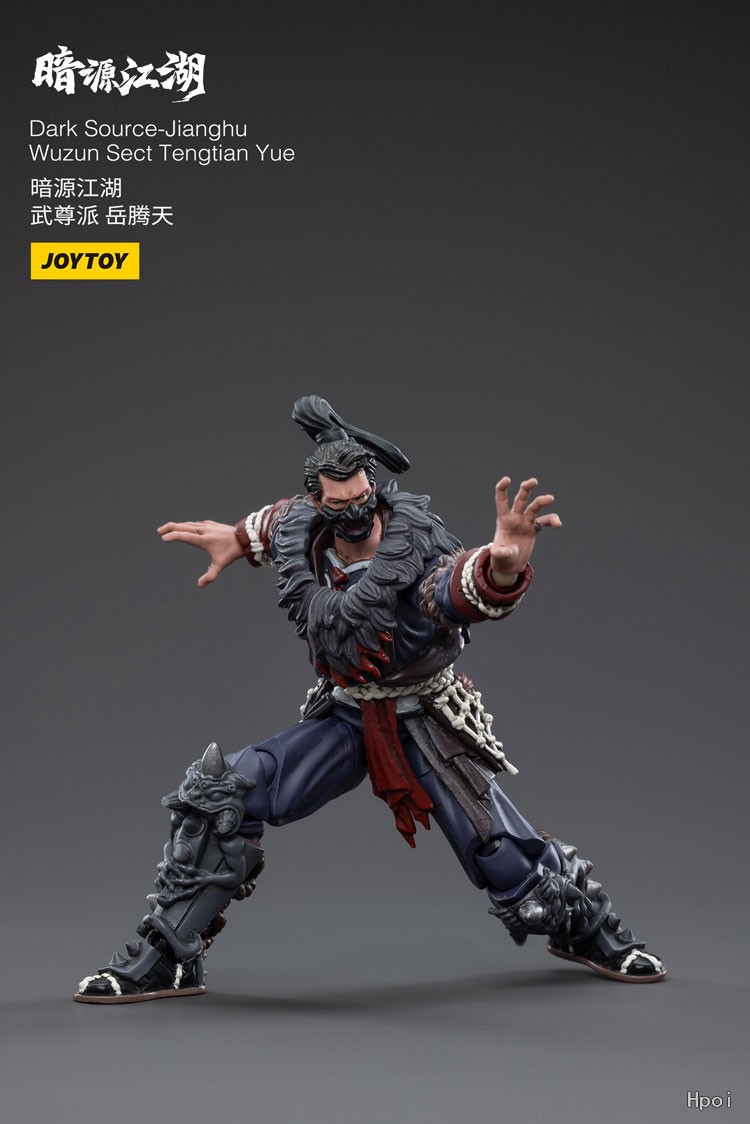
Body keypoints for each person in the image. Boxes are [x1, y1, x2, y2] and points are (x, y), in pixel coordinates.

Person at [75, 396, 665, 1003]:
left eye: (363, 498)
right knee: (222, 797)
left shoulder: (414, 544)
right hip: (348, 713)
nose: (355, 512)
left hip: (422, 716)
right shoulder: (305, 530)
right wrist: (235, 537)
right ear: (320, 504)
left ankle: (583, 926)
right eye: (338, 505)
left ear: (374, 489)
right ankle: (170, 954)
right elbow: (273, 526)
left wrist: (502, 568)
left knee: (501, 852)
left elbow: (453, 588)